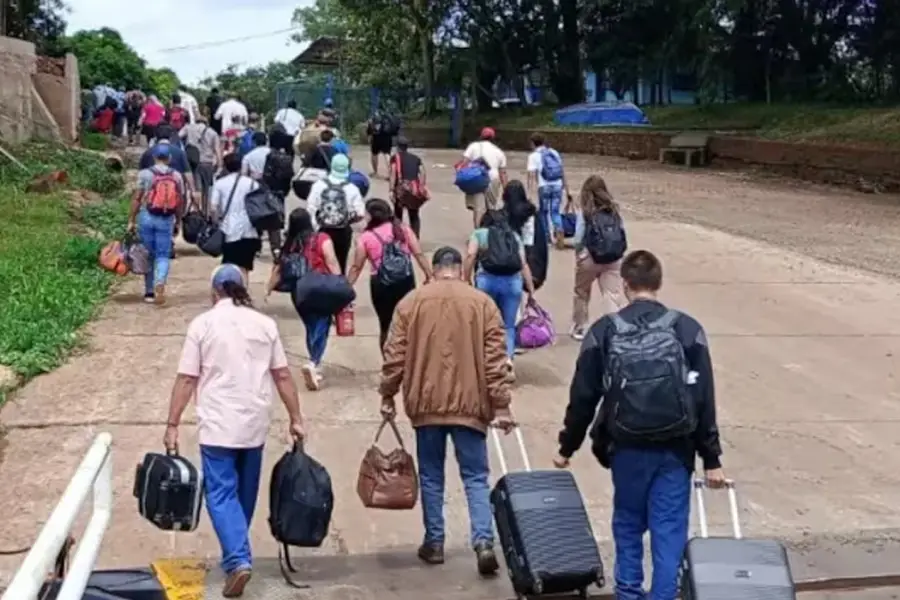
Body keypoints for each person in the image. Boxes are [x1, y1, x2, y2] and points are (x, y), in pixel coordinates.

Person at [554, 249, 725, 600]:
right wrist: (711, 458)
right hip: (676, 451)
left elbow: (583, 396)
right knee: (669, 532)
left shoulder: (605, 331)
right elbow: (703, 396)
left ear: (626, 283)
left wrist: (567, 446)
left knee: (629, 525)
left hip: (627, 448)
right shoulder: (687, 329)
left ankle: (628, 594)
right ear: (658, 283)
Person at [164, 263, 305, 599]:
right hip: (254, 423)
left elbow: (187, 378)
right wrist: (296, 416)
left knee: (220, 494)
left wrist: (172, 423)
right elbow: (283, 375)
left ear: (214, 291)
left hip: (218, 425)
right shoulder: (264, 324)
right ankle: (235, 558)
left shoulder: (203, 325)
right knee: (243, 494)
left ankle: (239, 558)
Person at [379, 246, 514, 575]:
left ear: (435, 269)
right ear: (460, 269)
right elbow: (496, 360)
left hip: (426, 406)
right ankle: (483, 542)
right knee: (476, 477)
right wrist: (502, 404)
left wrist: (387, 394)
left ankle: (434, 542)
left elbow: (394, 355)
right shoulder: (482, 304)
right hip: (471, 406)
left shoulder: (411, 303)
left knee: (431, 475)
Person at [266, 208, 341, 391]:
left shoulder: (290, 244)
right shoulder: (321, 239)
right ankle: (314, 362)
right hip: (320, 286)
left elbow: (278, 268)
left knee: (310, 325)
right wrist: (339, 282)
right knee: (322, 324)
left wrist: (268, 289)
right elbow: (331, 261)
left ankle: (314, 363)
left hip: (298, 291)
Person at [348, 198, 433, 353]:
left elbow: (356, 267)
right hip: (405, 281)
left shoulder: (366, 237)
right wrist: (429, 275)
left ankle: (388, 362)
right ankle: (408, 358)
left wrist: (346, 287)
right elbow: (418, 253)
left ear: (372, 216)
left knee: (385, 324)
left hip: (381, 285)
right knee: (407, 322)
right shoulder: (403, 229)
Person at [463, 210, 535, 381]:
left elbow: (471, 256)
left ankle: (485, 362)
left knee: (484, 323)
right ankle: (507, 360)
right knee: (508, 326)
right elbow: (523, 264)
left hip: (487, 281)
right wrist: (531, 290)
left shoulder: (479, 234)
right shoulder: (514, 236)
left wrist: (465, 279)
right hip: (512, 283)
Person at [570, 175, 628, 341]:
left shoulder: (585, 212)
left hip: (589, 257)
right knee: (611, 294)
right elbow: (621, 232)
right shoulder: (614, 209)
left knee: (581, 292)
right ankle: (614, 327)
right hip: (613, 258)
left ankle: (580, 326)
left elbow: (578, 238)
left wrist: (579, 254)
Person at [127, 144, 186, 304]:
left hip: (146, 216)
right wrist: (178, 221)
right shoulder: (177, 176)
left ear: (154, 157)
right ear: (170, 159)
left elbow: (137, 198)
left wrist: (131, 219)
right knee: (162, 255)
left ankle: (149, 292)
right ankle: (160, 281)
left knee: (148, 254)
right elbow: (179, 201)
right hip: (166, 218)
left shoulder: (145, 174)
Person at [306, 154, 365, 274]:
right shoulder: (352, 188)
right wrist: (346, 220)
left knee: (321, 262)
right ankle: (338, 286)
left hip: (322, 230)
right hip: (343, 231)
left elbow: (310, 208)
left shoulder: (318, 185)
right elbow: (360, 213)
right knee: (340, 261)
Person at [211, 153, 262, 278]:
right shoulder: (252, 184)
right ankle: (243, 292)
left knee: (229, 265)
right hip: (249, 230)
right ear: (240, 166)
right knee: (245, 267)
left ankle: (229, 291)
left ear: (225, 167)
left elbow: (213, 207)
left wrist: (216, 222)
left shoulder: (220, 184)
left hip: (228, 228)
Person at [527, 133, 573, 249]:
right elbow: (562, 172)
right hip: (558, 186)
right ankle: (559, 229)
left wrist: (529, 194)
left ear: (533, 143)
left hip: (544, 187)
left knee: (543, 212)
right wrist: (567, 190)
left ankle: (547, 239)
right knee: (555, 212)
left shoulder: (533, 156)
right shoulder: (554, 152)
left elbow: (531, 176)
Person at [462, 127, 508, 228]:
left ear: (481, 136)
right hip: (493, 178)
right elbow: (503, 173)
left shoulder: (473, 146)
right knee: (492, 207)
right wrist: (506, 188)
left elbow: (464, 163)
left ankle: (477, 234)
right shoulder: (498, 151)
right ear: (493, 138)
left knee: (479, 208)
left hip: (477, 178)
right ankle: (490, 232)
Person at [180, 112, 221, 215]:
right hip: (207, 163)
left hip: (193, 162)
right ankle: (205, 214)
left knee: (195, 189)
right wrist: (220, 164)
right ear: (206, 123)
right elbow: (217, 150)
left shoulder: (188, 128)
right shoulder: (212, 132)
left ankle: (195, 212)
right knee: (207, 190)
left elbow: (178, 136)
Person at [388, 136, 427, 239]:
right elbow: (423, 172)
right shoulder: (416, 158)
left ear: (397, 147)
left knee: (398, 214)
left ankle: (398, 237)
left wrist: (391, 190)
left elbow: (393, 173)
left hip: (401, 189)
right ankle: (415, 238)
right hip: (414, 189)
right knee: (414, 214)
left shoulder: (395, 157)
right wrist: (421, 186)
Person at [367, 109, 397, 178]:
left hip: (376, 139)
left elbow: (369, 132)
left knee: (374, 154)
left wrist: (369, 140)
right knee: (387, 155)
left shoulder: (374, 117)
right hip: (387, 138)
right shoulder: (387, 117)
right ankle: (390, 174)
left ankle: (375, 172)